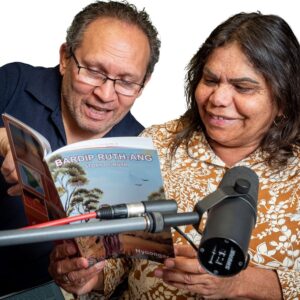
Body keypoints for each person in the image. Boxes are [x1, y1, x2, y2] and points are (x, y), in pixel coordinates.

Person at [49, 11, 300, 299]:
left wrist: (239, 283)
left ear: (282, 100)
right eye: (210, 80)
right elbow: (119, 255)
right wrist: (88, 276)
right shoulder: (155, 145)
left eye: (243, 87)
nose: (218, 99)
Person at [0, 0, 161, 296]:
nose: (105, 94)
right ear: (65, 58)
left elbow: (128, 261)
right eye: (93, 71)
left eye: (127, 82)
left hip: (45, 288)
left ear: (144, 83)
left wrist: (88, 275)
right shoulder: (14, 82)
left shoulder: (140, 148)